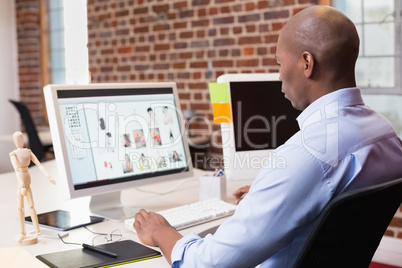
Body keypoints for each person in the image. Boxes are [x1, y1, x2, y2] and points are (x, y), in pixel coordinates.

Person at [132, 6, 402, 267]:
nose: (279, 74)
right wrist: (277, 190)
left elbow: (207, 264)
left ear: (307, 63)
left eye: (279, 62)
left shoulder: (306, 156)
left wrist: (161, 231)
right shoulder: (386, 135)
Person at [9, 131, 56, 245]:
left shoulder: (22, 152)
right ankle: (24, 232)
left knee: (28, 207)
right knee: (25, 207)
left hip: (24, 180)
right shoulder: (17, 153)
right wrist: (22, 185)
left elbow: (38, 165)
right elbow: (18, 169)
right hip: (24, 180)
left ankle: (35, 231)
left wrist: (49, 177)